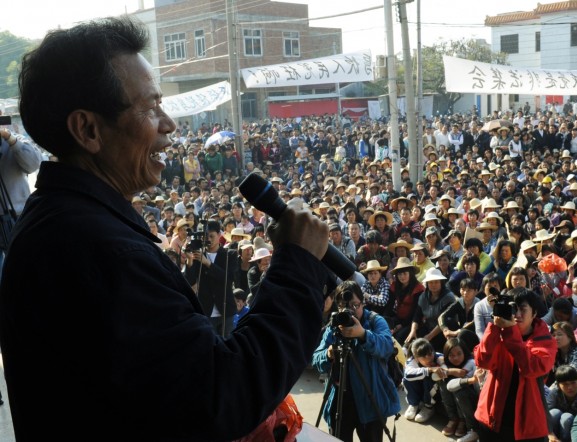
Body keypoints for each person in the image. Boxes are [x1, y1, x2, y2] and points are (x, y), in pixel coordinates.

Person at [0, 17, 331, 441]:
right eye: (150, 107)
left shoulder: (60, 223)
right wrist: (298, 265)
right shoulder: (104, 253)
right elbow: (220, 397)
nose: (169, 123)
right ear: (87, 129)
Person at [312, 281, 401, 442]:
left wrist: (363, 335)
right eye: (343, 306)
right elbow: (316, 359)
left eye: (355, 305)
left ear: (363, 302)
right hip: (340, 400)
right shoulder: (334, 325)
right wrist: (328, 354)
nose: (349, 311)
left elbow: (387, 346)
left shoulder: (374, 321)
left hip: (370, 400)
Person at [474, 288, 558, 441]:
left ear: (534, 314)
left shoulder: (545, 340)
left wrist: (510, 331)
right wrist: (494, 326)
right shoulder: (498, 332)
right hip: (493, 415)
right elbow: (482, 361)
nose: (517, 314)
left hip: (528, 424)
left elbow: (531, 368)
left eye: (523, 309)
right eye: (514, 308)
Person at [0, 124, 43, 274]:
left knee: (23, 267)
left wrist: (9, 138)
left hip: (16, 215)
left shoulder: (15, 139)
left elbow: (33, 164)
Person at [547, 365, 577, 442]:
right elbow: (544, 415)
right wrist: (550, 435)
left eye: (573, 383)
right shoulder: (554, 393)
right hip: (553, 432)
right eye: (565, 384)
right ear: (558, 385)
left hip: (573, 431)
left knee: (566, 418)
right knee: (553, 413)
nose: (570, 387)